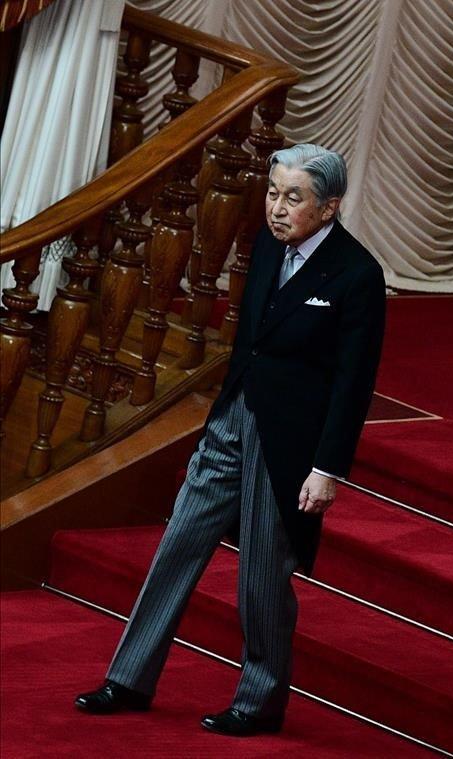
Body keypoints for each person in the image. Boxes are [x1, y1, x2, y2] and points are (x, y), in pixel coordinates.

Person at [74, 144, 386, 737]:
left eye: (293, 198)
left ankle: (261, 700)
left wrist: (328, 468)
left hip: (288, 444)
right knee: (177, 544)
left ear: (330, 207)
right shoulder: (268, 246)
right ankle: (129, 678)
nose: (276, 208)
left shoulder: (356, 275)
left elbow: (354, 383)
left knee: (262, 576)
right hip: (231, 422)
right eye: (273, 193)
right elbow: (250, 340)